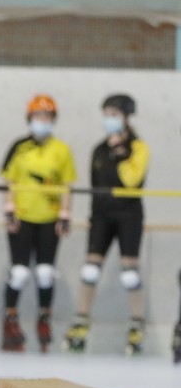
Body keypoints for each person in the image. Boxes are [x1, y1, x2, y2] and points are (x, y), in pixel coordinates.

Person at [65, 94, 150, 355]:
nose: (109, 120)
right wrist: (92, 218)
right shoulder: (98, 149)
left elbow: (132, 180)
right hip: (102, 214)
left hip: (128, 215)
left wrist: (120, 152)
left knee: (129, 274)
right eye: (106, 114)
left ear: (125, 118)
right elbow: (94, 186)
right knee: (90, 271)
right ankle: (80, 323)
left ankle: (136, 326)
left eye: (114, 114)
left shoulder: (138, 147)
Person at [0, 94, 76, 352]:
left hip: (49, 218)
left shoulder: (61, 149)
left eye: (47, 117)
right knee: (19, 272)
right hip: (22, 217)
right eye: (38, 116)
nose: (42, 121)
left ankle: (44, 320)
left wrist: (65, 214)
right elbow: (9, 181)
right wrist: (8, 209)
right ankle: (10, 320)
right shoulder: (19, 147)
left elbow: (66, 185)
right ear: (29, 118)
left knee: (45, 272)